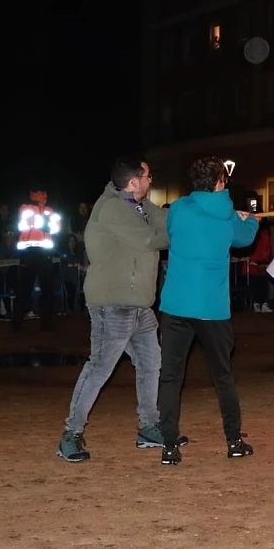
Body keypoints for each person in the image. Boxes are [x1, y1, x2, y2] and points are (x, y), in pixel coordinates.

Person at [56, 157, 187, 463]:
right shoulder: (113, 208)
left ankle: (148, 427)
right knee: (99, 368)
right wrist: (183, 232)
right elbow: (151, 238)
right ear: (133, 182)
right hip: (112, 304)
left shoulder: (139, 205)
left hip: (139, 304)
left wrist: (195, 217)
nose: (150, 180)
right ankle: (70, 435)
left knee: (151, 364)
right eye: (148, 176)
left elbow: (165, 219)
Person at [158, 156, 259, 466]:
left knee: (171, 377)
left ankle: (170, 446)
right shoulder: (228, 216)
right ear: (220, 182)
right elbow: (245, 239)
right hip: (211, 309)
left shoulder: (177, 209)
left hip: (175, 304)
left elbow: (175, 231)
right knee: (223, 377)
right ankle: (233, 441)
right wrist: (251, 219)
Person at [12, 184, 62, 330]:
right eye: (41, 192)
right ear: (33, 194)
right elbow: (24, 225)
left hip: (45, 253)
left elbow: (57, 228)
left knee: (47, 289)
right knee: (24, 289)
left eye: (45, 192)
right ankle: (17, 322)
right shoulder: (26, 208)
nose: (45, 195)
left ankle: (46, 322)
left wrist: (45, 224)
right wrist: (44, 223)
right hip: (29, 253)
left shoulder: (50, 210)